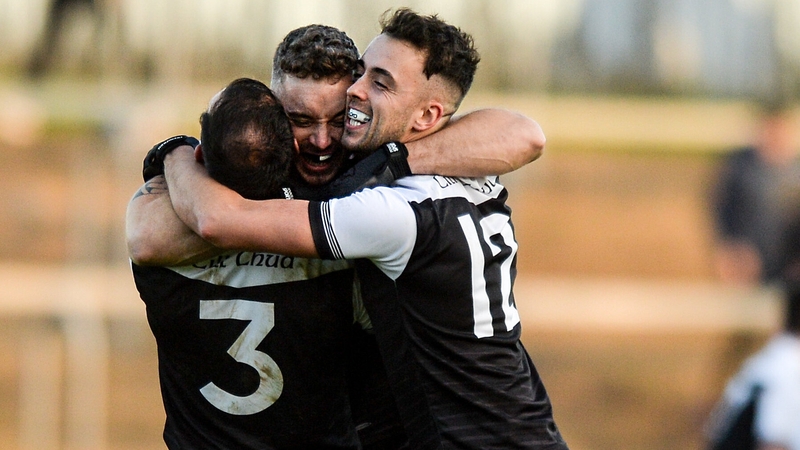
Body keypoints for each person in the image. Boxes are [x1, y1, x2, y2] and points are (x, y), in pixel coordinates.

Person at [160, 9, 568, 449]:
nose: (356, 91)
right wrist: (390, 159)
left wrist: (173, 152)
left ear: (428, 115)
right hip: (523, 422)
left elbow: (218, 220)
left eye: (380, 82)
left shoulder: (384, 210)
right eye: (363, 72)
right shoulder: (468, 165)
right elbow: (526, 134)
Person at [706, 101, 800, 450]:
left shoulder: (794, 171)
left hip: (785, 275)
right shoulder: (739, 168)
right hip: (748, 274)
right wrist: (729, 249)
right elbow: (720, 210)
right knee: (740, 342)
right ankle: (721, 399)